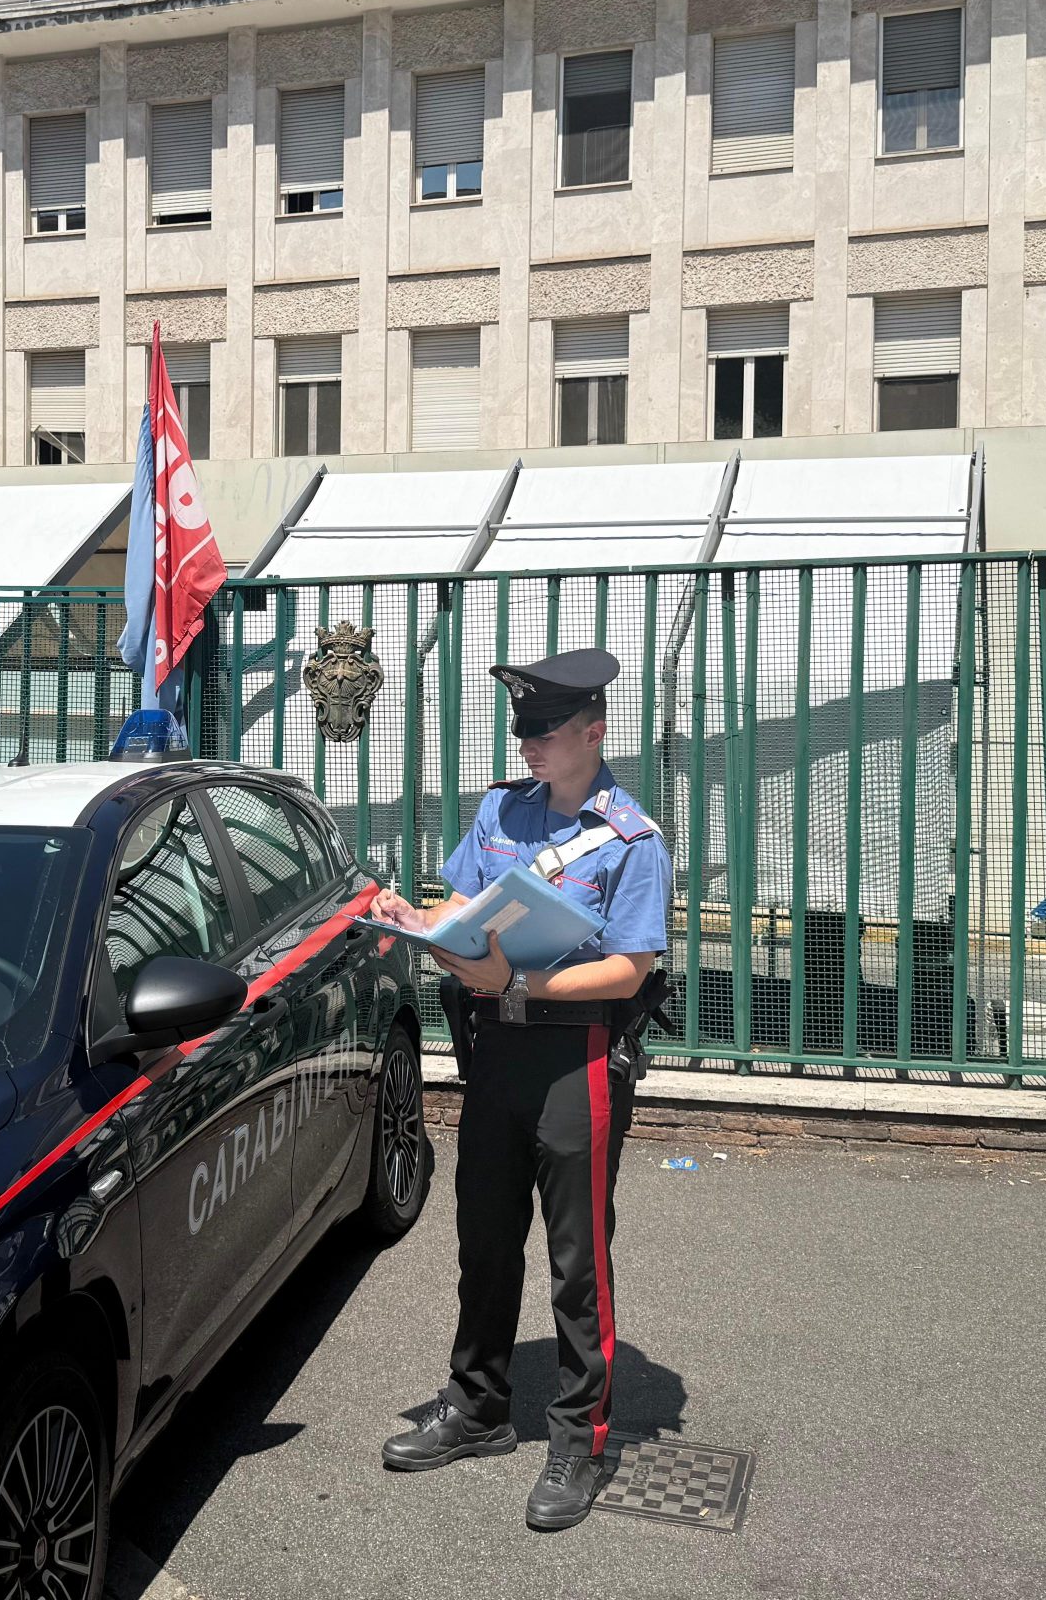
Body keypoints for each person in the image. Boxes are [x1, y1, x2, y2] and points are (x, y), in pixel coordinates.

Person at [368, 646, 673, 1532]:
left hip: (574, 1059)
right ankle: (479, 1407)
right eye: (523, 730)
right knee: (484, 1240)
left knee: (579, 1263)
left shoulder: (631, 842)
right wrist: (409, 920)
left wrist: (516, 986)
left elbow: (629, 967)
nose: (528, 744)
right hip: (494, 1057)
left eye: (545, 731)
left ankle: (580, 1436)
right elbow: (457, 914)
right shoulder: (501, 809)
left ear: (594, 732)